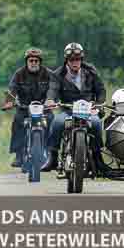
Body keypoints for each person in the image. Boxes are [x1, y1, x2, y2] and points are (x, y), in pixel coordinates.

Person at [43, 42, 106, 171]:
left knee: (96, 123)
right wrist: (50, 100)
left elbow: (101, 90)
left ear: (81, 59)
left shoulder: (91, 71)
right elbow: (53, 89)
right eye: (72, 60)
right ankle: (53, 157)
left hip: (88, 110)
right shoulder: (58, 74)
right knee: (57, 122)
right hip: (68, 110)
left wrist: (98, 105)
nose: (75, 62)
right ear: (67, 60)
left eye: (77, 59)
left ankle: (97, 157)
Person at [1, 47, 53, 168]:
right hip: (24, 107)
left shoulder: (48, 74)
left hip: (44, 108)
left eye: (36, 60)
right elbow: (12, 88)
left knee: (52, 121)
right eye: (31, 60)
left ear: (40, 62)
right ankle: (19, 155)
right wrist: (9, 101)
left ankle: (52, 153)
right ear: (27, 61)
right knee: (17, 122)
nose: (34, 63)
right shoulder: (19, 74)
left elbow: (53, 88)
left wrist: (50, 100)